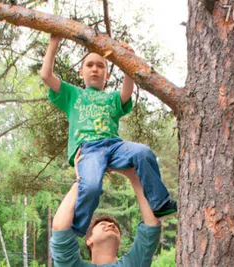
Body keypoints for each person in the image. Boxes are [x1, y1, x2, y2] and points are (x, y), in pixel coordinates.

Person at [40, 34, 176, 237]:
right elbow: (46, 75)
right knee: (92, 185)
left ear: (107, 75)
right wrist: (54, 42)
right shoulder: (72, 94)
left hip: (114, 147)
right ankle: (77, 227)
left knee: (143, 152)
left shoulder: (112, 98)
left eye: (101, 66)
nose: (95, 69)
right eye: (90, 65)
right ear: (81, 72)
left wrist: (127, 60)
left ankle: (159, 202)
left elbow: (127, 92)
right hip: (88, 149)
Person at [50, 149, 162, 267]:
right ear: (89, 240)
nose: (111, 225)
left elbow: (151, 226)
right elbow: (60, 228)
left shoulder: (132, 263)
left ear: (119, 245)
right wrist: (80, 181)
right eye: (103, 225)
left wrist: (132, 176)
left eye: (115, 228)